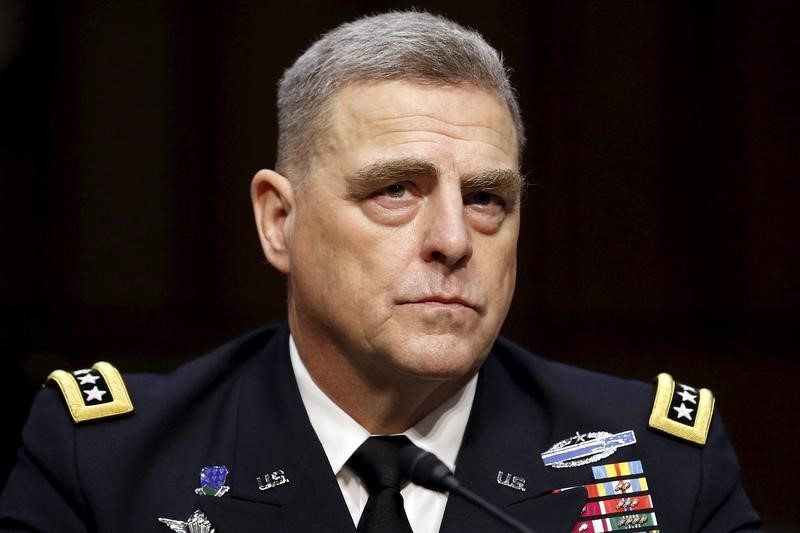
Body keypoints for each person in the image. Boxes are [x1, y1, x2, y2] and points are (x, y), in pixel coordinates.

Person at [0, 11, 760, 532]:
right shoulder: (107, 461)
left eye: (488, 197)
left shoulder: (656, 463)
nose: (455, 240)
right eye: (397, 189)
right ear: (279, 220)